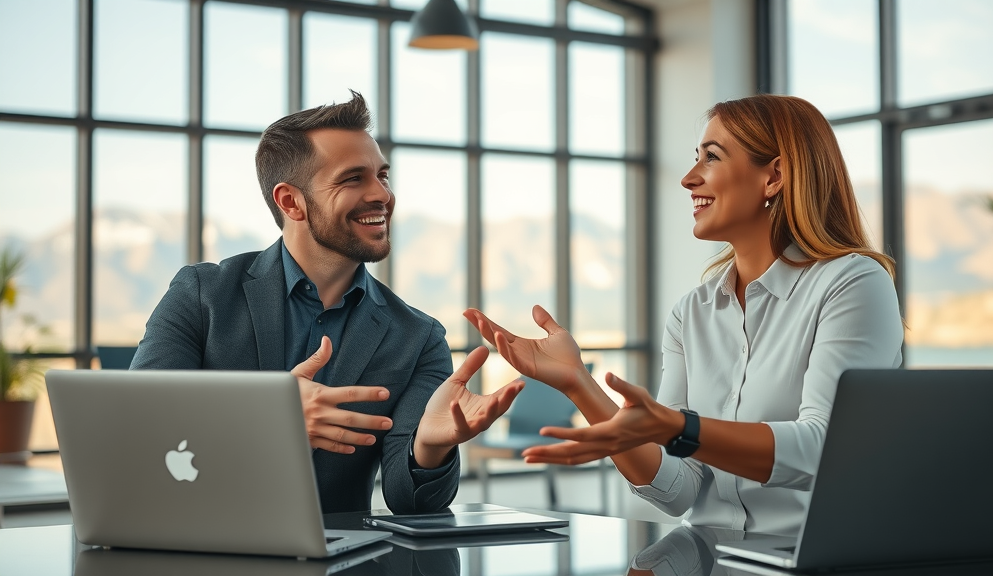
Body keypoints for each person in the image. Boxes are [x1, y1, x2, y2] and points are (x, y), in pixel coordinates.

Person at [464, 94, 904, 537]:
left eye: (711, 157)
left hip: (815, 558)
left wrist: (680, 428)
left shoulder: (852, 283)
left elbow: (825, 449)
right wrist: (578, 383)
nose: (689, 178)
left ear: (774, 176)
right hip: (709, 555)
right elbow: (677, 490)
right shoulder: (691, 313)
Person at [132, 91, 523, 515]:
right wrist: (270, 419)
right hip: (193, 537)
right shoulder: (201, 294)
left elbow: (409, 500)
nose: (382, 194)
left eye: (382, 176)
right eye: (353, 179)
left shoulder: (418, 337)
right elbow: (136, 427)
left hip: (334, 550)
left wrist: (428, 448)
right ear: (291, 202)